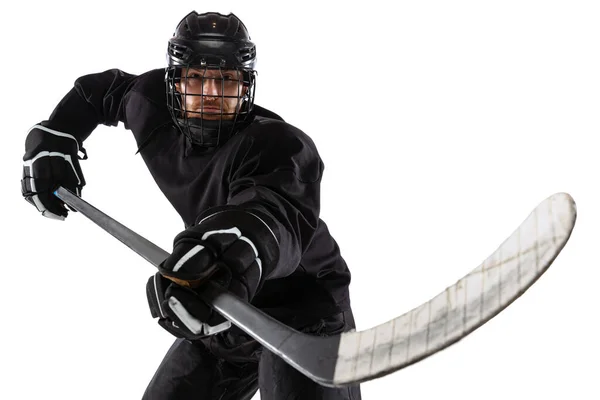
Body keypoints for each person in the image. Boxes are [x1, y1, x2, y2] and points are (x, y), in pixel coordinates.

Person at [21, 10, 362, 400]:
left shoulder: (279, 146)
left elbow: (272, 214)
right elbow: (101, 92)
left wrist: (221, 252)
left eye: (227, 80)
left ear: (246, 85)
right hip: (219, 300)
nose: (212, 94)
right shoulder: (150, 107)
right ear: (175, 83)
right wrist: (56, 135)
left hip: (303, 314)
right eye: (197, 78)